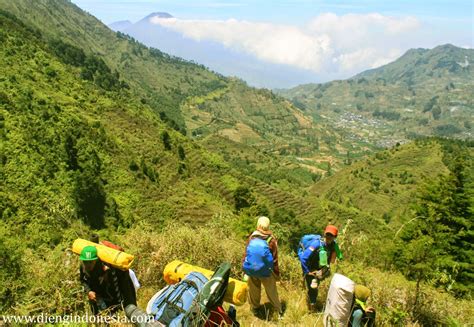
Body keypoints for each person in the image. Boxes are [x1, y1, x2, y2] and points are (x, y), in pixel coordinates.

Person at [242, 216, 283, 319]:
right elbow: (274, 260)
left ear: (258, 225)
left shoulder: (252, 237)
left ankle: (255, 309)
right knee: (271, 291)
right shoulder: (271, 240)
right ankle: (278, 311)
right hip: (266, 272)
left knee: (254, 290)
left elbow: (246, 254)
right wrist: (277, 274)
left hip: (252, 270)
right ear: (268, 226)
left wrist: (245, 269)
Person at [79, 245, 137, 315]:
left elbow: (117, 289)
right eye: (85, 262)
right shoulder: (83, 267)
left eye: (91, 262)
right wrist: (89, 291)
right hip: (96, 298)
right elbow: (82, 280)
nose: (88, 265)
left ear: (96, 260)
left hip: (111, 296)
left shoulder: (108, 268)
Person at [298, 225, 341, 312]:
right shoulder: (316, 244)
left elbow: (333, 261)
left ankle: (311, 300)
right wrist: (307, 271)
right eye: (327, 234)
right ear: (324, 234)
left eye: (331, 235)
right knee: (313, 289)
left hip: (320, 268)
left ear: (335, 237)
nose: (328, 237)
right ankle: (312, 309)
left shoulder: (333, 246)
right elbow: (303, 258)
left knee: (314, 286)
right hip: (311, 269)